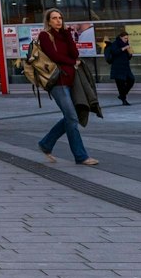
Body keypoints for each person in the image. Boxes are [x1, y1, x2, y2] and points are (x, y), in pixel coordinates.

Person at [34, 9, 99, 166]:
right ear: (48, 21)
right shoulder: (45, 35)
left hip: (71, 81)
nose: (58, 21)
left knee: (72, 116)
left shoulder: (65, 34)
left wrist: (69, 36)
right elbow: (54, 56)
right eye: (54, 18)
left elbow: (75, 54)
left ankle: (46, 143)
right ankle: (81, 156)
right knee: (71, 118)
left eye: (60, 18)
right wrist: (71, 62)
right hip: (57, 82)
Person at [103, 30, 134, 104]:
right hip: (117, 67)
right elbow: (115, 52)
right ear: (121, 37)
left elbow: (128, 57)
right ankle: (124, 100)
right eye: (125, 38)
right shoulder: (115, 44)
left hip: (125, 66)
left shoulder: (126, 44)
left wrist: (130, 54)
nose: (126, 40)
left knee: (131, 80)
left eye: (127, 38)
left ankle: (122, 95)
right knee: (121, 85)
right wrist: (123, 49)